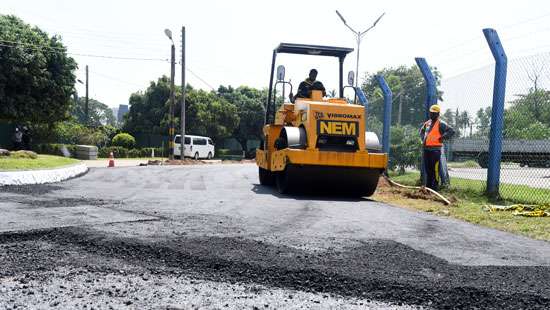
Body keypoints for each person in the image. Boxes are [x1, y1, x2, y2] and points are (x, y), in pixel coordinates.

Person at [419, 104, 455, 191]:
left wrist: (443, 137)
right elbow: (421, 132)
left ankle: (434, 188)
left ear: (438, 114)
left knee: (435, 170)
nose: (432, 114)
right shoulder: (427, 123)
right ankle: (428, 187)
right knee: (428, 170)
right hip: (426, 150)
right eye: (431, 113)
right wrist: (422, 140)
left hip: (435, 151)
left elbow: (451, 131)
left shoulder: (441, 124)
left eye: (434, 113)